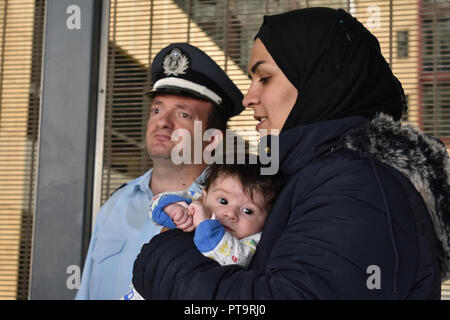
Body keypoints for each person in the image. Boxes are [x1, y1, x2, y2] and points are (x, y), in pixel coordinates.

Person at [131, 7, 450, 299]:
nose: (248, 97)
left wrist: (163, 258)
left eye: (264, 78)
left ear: (318, 83)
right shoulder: (307, 178)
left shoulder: (358, 186)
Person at [75, 43, 244, 299]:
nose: (163, 122)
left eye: (183, 114)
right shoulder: (117, 203)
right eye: (157, 109)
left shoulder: (229, 214)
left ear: (211, 140)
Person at [122, 160, 283, 300]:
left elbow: (233, 259)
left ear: (266, 220)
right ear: (204, 196)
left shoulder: (251, 242)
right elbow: (155, 206)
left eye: (248, 211)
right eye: (223, 200)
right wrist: (173, 209)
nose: (231, 214)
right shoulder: (200, 206)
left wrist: (206, 224)